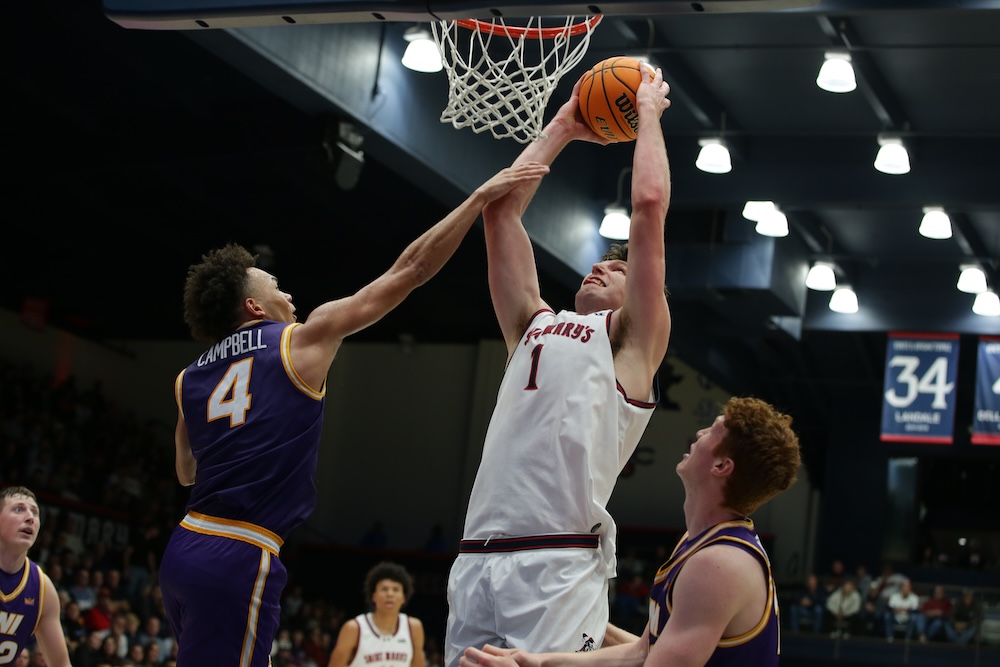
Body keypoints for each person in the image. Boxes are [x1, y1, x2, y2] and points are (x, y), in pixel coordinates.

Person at [157, 161, 550, 667]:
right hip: (238, 551)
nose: (289, 293)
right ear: (254, 306)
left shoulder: (187, 379)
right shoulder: (302, 340)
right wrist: (476, 200)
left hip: (184, 547)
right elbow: (411, 270)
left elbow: (186, 471)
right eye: (276, 284)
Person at [443, 63, 673, 667]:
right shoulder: (532, 323)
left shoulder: (631, 342)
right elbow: (500, 213)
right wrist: (565, 125)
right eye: (598, 263)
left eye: (618, 269)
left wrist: (647, 111)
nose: (600, 268)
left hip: (558, 559)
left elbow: (648, 207)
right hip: (476, 552)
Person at [459, 395, 801, 667]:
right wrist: (539, 659)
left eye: (712, 431)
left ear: (721, 466)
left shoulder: (719, 565)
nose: (698, 434)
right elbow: (644, 652)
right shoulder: (701, 546)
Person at [0, 486, 73, 667]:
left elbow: (60, 663)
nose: (30, 517)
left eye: (35, 512)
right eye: (18, 509)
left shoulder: (42, 588)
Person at [327, 562, 425, 667]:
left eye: (396, 589)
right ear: (373, 596)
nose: (390, 594)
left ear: (403, 597)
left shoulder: (414, 627)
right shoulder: (354, 628)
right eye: (384, 589)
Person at [883, 577, 921, 642]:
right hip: (895, 618)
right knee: (887, 615)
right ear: (901, 588)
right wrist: (905, 609)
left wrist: (898, 609)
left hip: (907, 619)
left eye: (907, 587)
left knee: (914, 617)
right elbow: (889, 608)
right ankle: (890, 637)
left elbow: (915, 610)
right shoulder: (894, 596)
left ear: (910, 588)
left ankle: (907, 639)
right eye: (904, 587)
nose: (906, 589)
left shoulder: (914, 597)